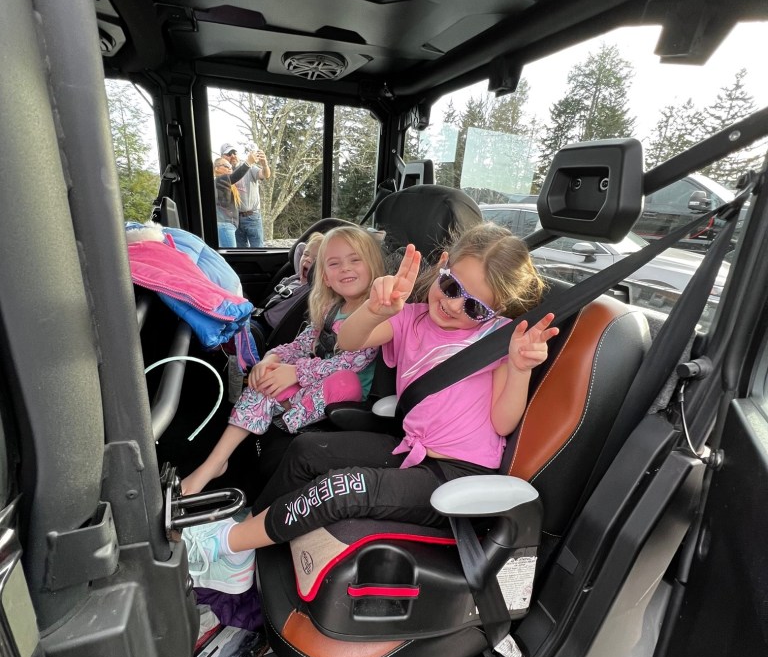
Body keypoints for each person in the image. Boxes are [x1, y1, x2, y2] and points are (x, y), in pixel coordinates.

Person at [180, 223, 559, 589]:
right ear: (443, 268)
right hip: (412, 449)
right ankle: (247, 545)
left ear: (494, 312)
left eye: (475, 308)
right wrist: (377, 310)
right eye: (450, 286)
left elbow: (503, 421)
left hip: (456, 473)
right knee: (307, 450)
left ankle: (227, 545)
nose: (454, 304)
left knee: (340, 490)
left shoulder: (499, 341)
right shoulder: (411, 317)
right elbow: (350, 340)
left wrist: (520, 369)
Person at [180, 225, 385, 506]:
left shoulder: (377, 313)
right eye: (334, 264)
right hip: (310, 385)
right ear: (324, 276)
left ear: (373, 265)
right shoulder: (330, 309)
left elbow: (351, 361)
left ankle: (284, 415)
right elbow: (300, 345)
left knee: (343, 378)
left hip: (344, 393)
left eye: (355, 260)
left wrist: (295, 373)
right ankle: (214, 463)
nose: (345, 269)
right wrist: (272, 359)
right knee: (267, 377)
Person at [220, 142, 272, 248]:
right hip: (234, 219)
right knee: (240, 253)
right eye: (229, 154)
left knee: (258, 250)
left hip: (252, 216)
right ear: (222, 157)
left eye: (234, 152)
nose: (233, 156)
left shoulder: (250, 167)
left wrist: (265, 164)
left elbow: (265, 175)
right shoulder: (222, 173)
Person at [214, 157, 250, 248]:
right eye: (226, 166)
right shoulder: (220, 180)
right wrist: (248, 163)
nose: (230, 168)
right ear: (216, 168)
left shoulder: (222, 183)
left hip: (226, 226)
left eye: (230, 166)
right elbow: (235, 176)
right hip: (225, 225)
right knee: (230, 256)